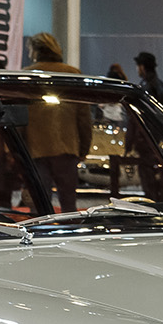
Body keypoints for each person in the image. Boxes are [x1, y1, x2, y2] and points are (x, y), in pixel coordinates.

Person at [24, 32, 92, 212]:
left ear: (35, 50)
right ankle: (69, 235)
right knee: (69, 202)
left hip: (35, 148)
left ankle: (39, 237)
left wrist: (18, 150)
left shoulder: (26, 75)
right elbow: (83, 115)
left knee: (39, 203)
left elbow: (19, 117)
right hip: (67, 147)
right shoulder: (73, 74)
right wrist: (84, 148)